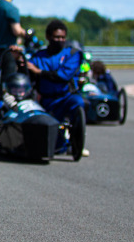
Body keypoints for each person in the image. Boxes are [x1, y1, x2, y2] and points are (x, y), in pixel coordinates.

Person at [15, 20, 85, 152]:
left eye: (63, 38)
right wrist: (19, 61)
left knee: (78, 101)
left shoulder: (73, 54)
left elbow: (63, 76)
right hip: (45, 101)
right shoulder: (39, 56)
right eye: (57, 37)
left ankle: (74, 140)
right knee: (53, 144)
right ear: (48, 37)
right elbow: (26, 75)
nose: (60, 40)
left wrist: (39, 71)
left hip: (65, 98)